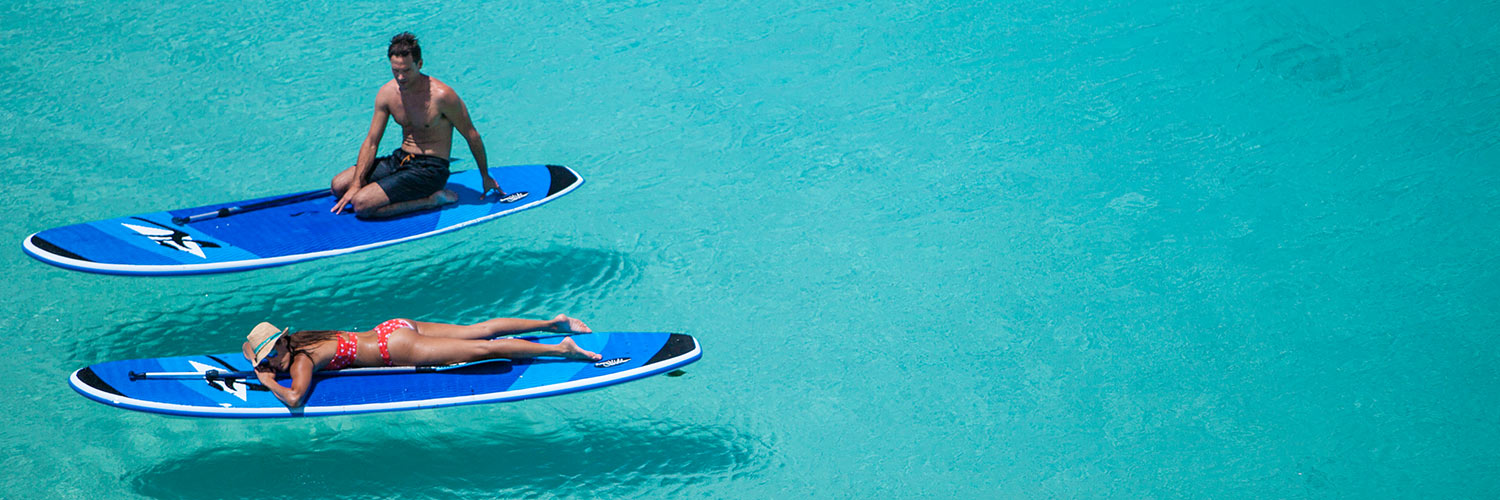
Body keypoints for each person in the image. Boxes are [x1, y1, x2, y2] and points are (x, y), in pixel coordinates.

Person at [242, 314, 602, 408]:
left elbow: (295, 399)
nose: (268, 363)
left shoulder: (302, 359)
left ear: (279, 346)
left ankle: (562, 349)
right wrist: (274, 367)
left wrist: (269, 381)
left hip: (395, 350)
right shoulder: (303, 338)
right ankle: (552, 323)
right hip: (393, 327)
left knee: (486, 350)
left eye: (268, 356)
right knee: (478, 330)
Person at [330, 32, 506, 218]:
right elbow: (372, 141)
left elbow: (472, 135)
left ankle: (431, 200)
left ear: (419, 64)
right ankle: (379, 187)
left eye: (406, 71)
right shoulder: (387, 93)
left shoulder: (442, 96)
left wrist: (485, 176)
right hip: (400, 159)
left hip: (430, 169)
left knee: (361, 205)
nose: (400, 77)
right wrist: (357, 183)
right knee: (339, 186)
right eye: (395, 70)